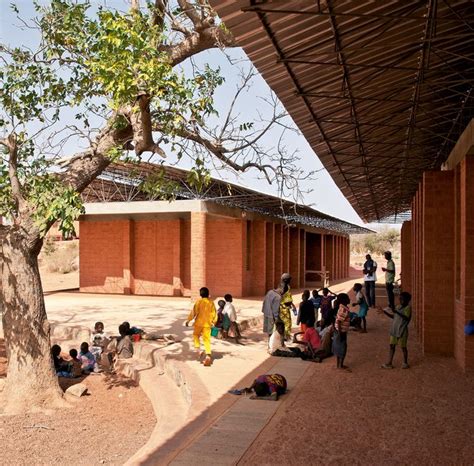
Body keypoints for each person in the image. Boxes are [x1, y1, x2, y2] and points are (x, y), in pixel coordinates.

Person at [378, 291, 412, 369]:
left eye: (402, 299)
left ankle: (405, 363)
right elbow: (394, 316)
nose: (400, 301)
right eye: (400, 299)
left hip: (402, 331)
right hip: (394, 329)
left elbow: (406, 318)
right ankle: (389, 363)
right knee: (392, 346)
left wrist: (397, 311)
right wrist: (385, 312)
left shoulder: (408, 308)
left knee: (403, 347)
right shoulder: (398, 307)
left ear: (407, 300)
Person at [186, 287, 217, 367]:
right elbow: (214, 313)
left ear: (200, 294)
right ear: (208, 294)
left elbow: (194, 312)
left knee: (195, 335)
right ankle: (208, 356)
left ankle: (198, 350)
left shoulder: (198, 302)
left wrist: (188, 320)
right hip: (207, 324)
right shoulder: (211, 303)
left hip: (198, 323)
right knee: (207, 340)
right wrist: (214, 322)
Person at [332, 293, 351, 371]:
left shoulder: (342, 308)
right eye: (348, 298)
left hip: (339, 331)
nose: (349, 299)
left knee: (338, 347)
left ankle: (338, 364)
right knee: (343, 348)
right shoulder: (344, 310)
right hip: (341, 332)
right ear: (344, 300)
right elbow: (339, 321)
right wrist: (340, 333)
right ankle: (340, 365)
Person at [279, 273, 296, 340]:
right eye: (289, 280)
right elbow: (283, 298)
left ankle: (285, 336)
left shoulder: (287, 286)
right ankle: (284, 336)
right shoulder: (283, 288)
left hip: (285, 307)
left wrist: (292, 304)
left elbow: (288, 297)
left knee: (287, 323)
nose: (290, 281)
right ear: (286, 280)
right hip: (283, 308)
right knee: (286, 323)